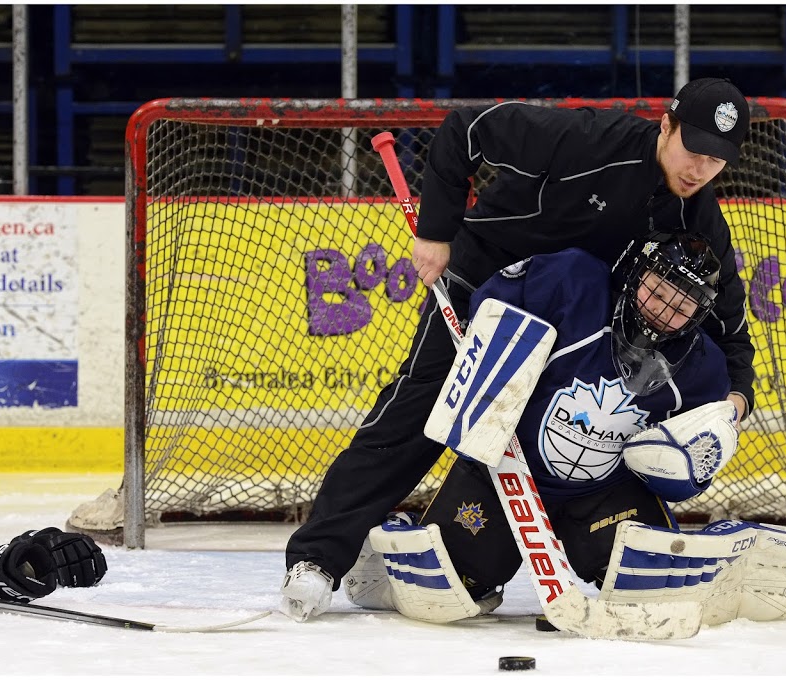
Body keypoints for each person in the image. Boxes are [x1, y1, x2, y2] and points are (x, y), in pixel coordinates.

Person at [281, 77, 757, 622]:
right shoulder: (586, 141)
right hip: (484, 292)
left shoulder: (699, 218)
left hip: (573, 323)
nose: (700, 170)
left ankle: (517, 548)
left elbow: (729, 329)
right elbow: (466, 130)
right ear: (665, 126)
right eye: (692, 150)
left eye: (716, 161)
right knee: (419, 414)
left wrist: (733, 406)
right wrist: (436, 232)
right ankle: (317, 559)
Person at [348, 233, 732, 616]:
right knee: (445, 589)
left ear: (700, 313)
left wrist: (681, 470)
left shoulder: (703, 368)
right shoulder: (574, 282)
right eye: (658, 293)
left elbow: (691, 464)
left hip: (605, 494)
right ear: (635, 274)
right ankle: (395, 533)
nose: (662, 312)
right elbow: (492, 304)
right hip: (506, 471)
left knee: (650, 580)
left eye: (682, 306)